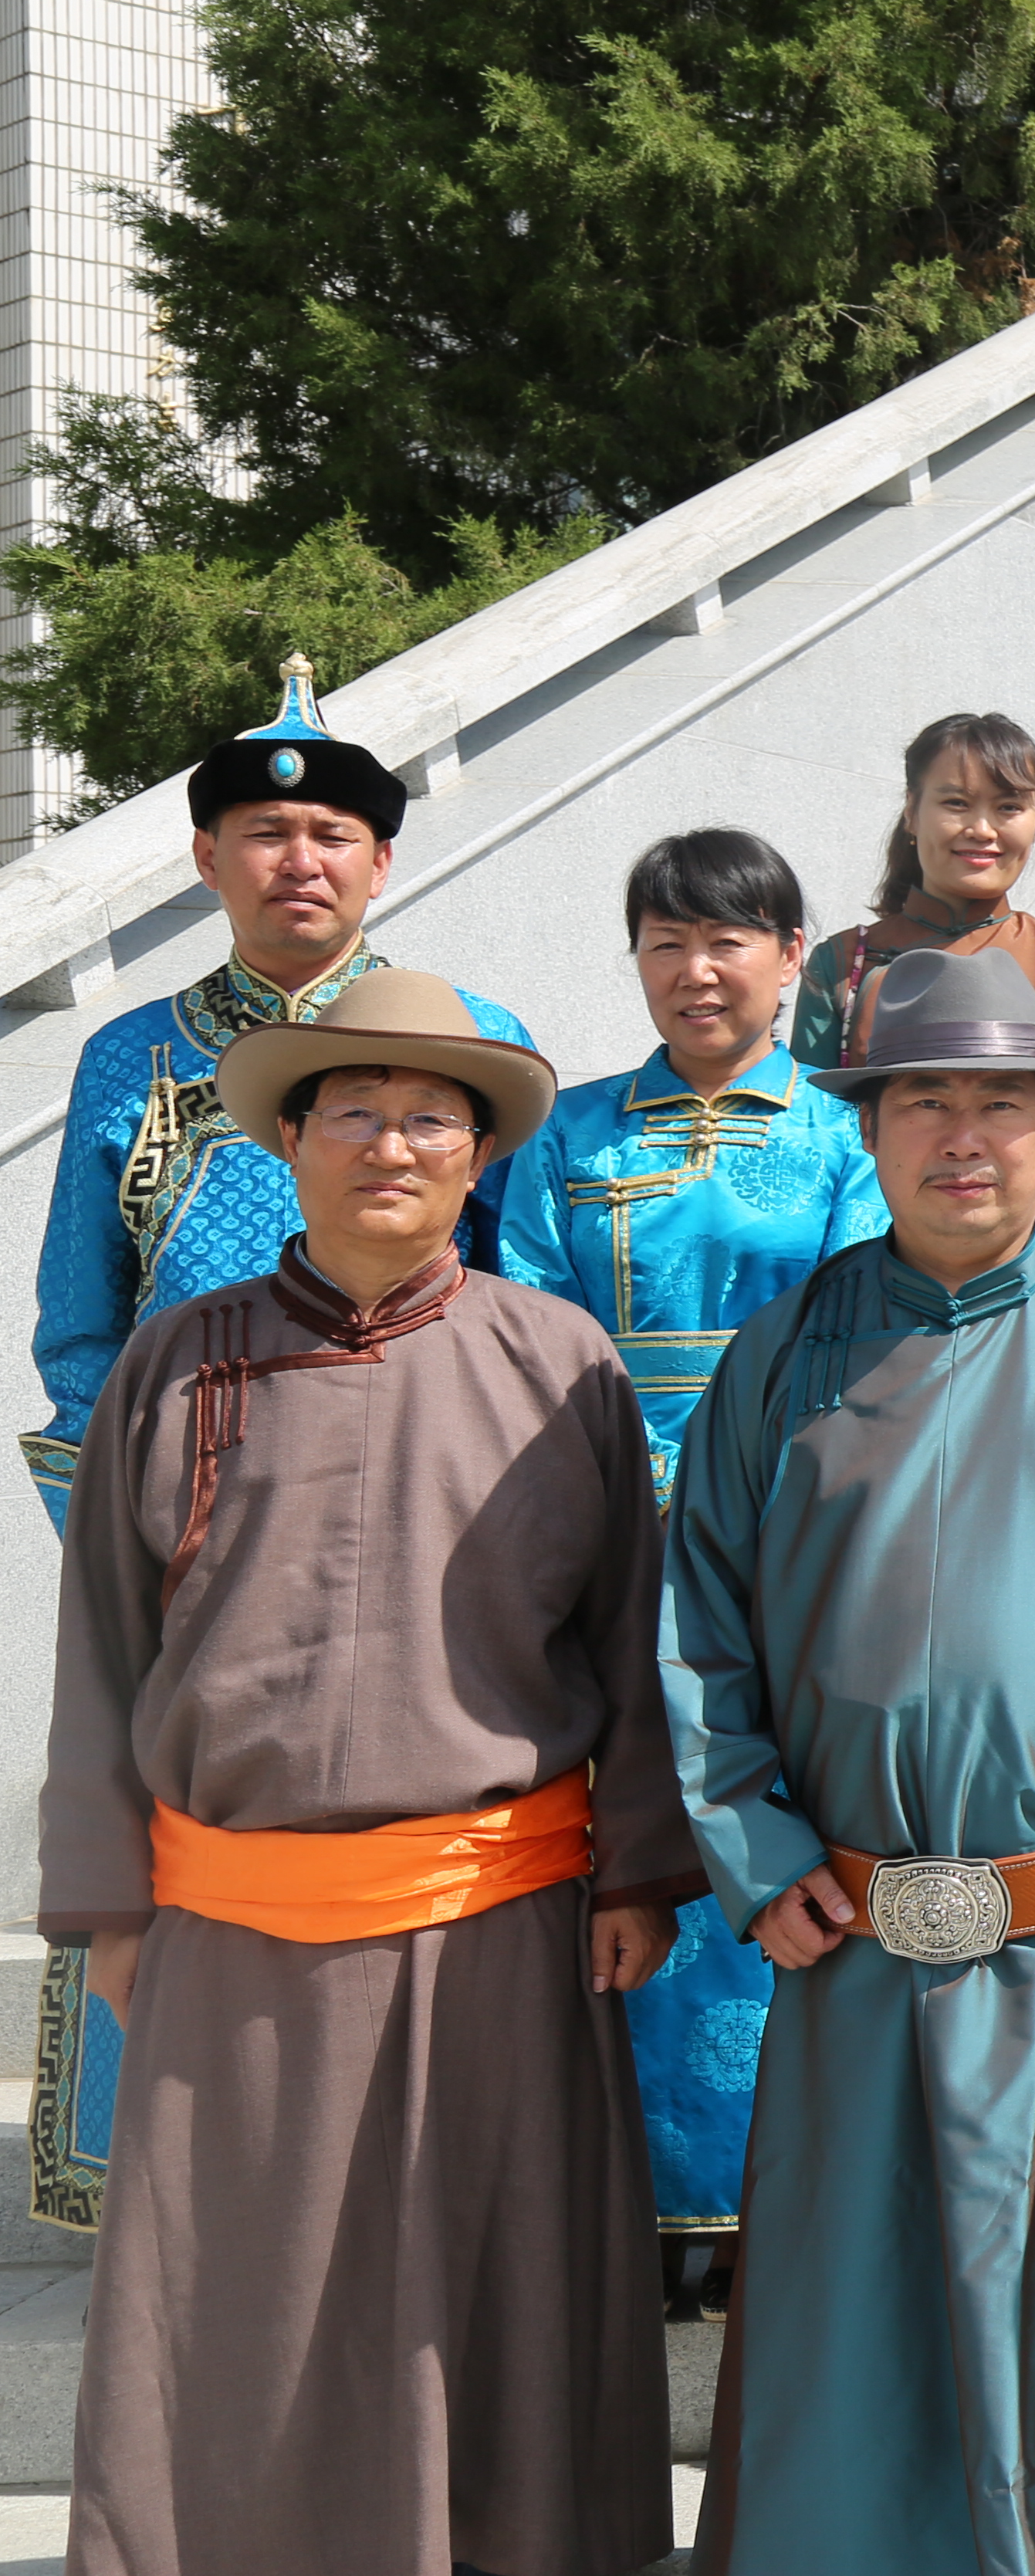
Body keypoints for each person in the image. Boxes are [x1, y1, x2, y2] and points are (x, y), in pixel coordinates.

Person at [39, 970, 691, 2576]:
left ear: (478, 1158)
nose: (391, 1145)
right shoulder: (179, 1366)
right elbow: (105, 1652)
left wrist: (641, 1872)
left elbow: (629, 1644)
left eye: (430, 1118)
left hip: (501, 1935)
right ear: (293, 1139)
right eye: (355, 1112)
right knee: (239, 2337)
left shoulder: (564, 1365)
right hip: (233, 1942)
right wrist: (110, 1907)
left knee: (499, 2333)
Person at [661, 945, 1035, 2576]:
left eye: (1004, 1102)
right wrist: (760, 1853)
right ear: (867, 1127)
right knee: (860, 2353)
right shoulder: (783, 1355)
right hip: (859, 1951)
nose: (964, 1136)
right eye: (924, 1098)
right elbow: (700, 1634)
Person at [22, 659, 537, 2226]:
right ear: (206, 860)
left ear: (381, 863)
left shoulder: (473, 1042)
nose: (296, 859)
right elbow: (77, 1342)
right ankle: (164, 2175)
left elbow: (523, 1312)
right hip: (188, 1563)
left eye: (329, 833)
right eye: (262, 831)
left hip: (430, 1556)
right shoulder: (134, 1060)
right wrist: (150, 1551)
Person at [499, 828, 888, 2303]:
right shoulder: (571, 1136)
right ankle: (627, 2193)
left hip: (787, 1550)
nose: (696, 969)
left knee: (768, 1839)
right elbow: (529, 1332)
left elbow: (863, 1343)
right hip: (597, 1539)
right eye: (665, 941)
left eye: (729, 940)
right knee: (619, 1852)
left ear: (796, 957)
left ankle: (772, 2195)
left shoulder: (846, 1139)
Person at [790, 709, 1035, 1065]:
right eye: (957, 803)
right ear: (912, 811)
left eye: (1009, 806)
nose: (983, 829)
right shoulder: (841, 962)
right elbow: (811, 1112)